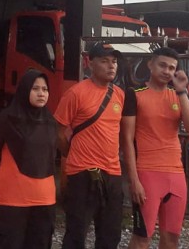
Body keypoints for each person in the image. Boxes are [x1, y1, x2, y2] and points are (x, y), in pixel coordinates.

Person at [124, 47, 189, 249]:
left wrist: (182, 91)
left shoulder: (179, 94)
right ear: (150, 65)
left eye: (172, 68)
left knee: (171, 239)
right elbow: (127, 139)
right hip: (147, 172)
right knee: (142, 238)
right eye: (162, 65)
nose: (167, 71)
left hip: (175, 174)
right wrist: (134, 180)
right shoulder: (135, 94)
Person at [54, 42, 126, 249]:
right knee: (76, 233)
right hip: (82, 172)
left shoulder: (119, 94)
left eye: (114, 61)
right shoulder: (75, 93)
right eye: (104, 61)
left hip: (112, 172)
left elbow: (121, 132)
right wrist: (71, 155)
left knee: (110, 234)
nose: (111, 66)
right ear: (90, 63)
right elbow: (59, 132)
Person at [0, 69, 58, 249]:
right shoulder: (7, 119)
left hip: (44, 200)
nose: (41, 93)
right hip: (11, 201)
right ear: (24, 90)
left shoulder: (50, 121)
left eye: (45, 89)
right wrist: (7, 178)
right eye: (35, 89)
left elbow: (50, 158)